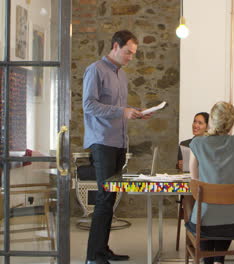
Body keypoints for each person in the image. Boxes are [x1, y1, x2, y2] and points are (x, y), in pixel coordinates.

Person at [82, 30, 152, 264]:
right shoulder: (96, 70)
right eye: (128, 52)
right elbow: (89, 105)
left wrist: (134, 113)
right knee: (103, 198)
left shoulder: (121, 76)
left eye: (133, 54)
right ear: (115, 46)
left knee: (110, 199)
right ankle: (93, 257)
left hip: (120, 142)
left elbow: (117, 109)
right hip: (102, 143)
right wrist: (121, 111)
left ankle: (103, 250)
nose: (131, 57)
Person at [187, 101, 234, 264]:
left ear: (211, 121)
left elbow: (194, 182)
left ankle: (208, 261)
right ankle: (218, 260)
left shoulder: (197, 143)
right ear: (232, 122)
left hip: (205, 222)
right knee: (224, 212)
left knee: (206, 212)